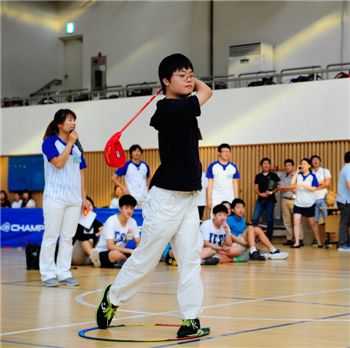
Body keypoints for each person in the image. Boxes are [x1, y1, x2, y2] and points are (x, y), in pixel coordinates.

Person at [96, 53, 213, 338]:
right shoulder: (168, 110)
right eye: (181, 74)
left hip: (188, 197)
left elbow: (201, 90)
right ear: (165, 81)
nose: (189, 78)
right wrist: (190, 83)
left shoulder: (183, 104)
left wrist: (183, 76)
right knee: (147, 258)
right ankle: (112, 298)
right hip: (166, 198)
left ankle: (190, 319)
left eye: (191, 73)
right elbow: (206, 90)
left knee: (190, 258)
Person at [39, 109, 88, 287]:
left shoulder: (76, 148)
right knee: (51, 235)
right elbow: (58, 163)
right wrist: (70, 143)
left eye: (74, 119)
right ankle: (47, 274)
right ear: (60, 124)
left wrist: (84, 197)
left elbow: (80, 172)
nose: (73, 123)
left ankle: (64, 272)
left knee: (68, 237)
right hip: (55, 197)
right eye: (69, 120)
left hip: (73, 199)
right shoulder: (49, 142)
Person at [90, 195, 140, 268]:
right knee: (115, 254)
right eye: (126, 208)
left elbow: (138, 242)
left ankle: (125, 263)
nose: (129, 211)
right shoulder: (111, 221)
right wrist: (130, 251)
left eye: (132, 208)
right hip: (104, 252)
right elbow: (110, 246)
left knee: (139, 254)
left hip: (121, 251)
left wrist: (139, 252)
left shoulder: (133, 222)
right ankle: (130, 263)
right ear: (120, 208)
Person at [290, 158, 322, 248]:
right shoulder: (299, 175)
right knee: (296, 222)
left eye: (304, 163)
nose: (302, 165)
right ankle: (296, 242)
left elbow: (314, 188)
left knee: (312, 223)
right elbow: (292, 183)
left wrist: (303, 185)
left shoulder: (312, 176)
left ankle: (319, 241)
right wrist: (296, 171)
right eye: (301, 164)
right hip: (298, 203)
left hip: (309, 203)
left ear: (309, 166)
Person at [111, 144, 150, 209]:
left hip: (144, 197)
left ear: (141, 153)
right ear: (131, 154)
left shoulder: (145, 165)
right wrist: (123, 188)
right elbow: (113, 178)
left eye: (138, 151)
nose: (137, 153)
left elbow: (149, 176)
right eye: (134, 151)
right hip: (131, 197)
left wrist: (148, 187)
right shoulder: (126, 165)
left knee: (144, 217)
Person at [251, 158, 280, 240]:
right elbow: (256, 188)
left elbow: (278, 186)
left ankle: (269, 238)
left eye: (268, 163)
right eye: (264, 163)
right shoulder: (258, 176)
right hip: (260, 199)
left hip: (270, 200)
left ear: (270, 165)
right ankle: (253, 236)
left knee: (269, 218)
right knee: (255, 217)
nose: (266, 165)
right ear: (261, 165)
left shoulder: (273, 175)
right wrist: (260, 194)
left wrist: (271, 192)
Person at [206, 144, 240, 212]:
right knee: (216, 217)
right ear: (219, 153)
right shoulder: (213, 166)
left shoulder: (233, 167)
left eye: (228, 151)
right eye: (224, 151)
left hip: (230, 196)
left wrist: (236, 199)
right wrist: (209, 199)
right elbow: (209, 184)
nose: (226, 153)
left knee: (229, 217)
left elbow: (235, 183)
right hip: (216, 196)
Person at [71, 196, 103, 265]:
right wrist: (95, 234)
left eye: (90, 205)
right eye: (85, 205)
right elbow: (79, 235)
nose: (88, 207)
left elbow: (103, 228)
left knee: (106, 235)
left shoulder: (95, 221)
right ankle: (95, 258)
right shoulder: (76, 220)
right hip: (77, 257)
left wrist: (103, 230)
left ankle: (98, 259)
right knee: (83, 239)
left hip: (88, 259)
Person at [279, 159, 304, 246]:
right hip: (284, 199)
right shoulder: (282, 176)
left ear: (292, 166)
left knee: (297, 221)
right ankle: (289, 239)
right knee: (287, 220)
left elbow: (296, 187)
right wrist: (290, 187)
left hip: (295, 200)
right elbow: (281, 188)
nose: (287, 167)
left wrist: (286, 187)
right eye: (286, 165)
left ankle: (300, 239)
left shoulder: (297, 175)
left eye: (289, 165)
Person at [311, 155, 332, 245]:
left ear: (320, 161)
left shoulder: (325, 171)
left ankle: (329, 239)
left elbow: (327, 184)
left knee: (328, 220)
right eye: (313, 160)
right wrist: (320, 182)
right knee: (314, 221)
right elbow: (307, 185)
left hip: (323, 198)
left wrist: (315, 186)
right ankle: (318, 240)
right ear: (311, 163)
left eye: (317, 160)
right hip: (312, 200)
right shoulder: (310, 172)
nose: (315, 161)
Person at [336, 151, 350, 251]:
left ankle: (345, 243)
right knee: (345, 223)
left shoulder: (345, 168)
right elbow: (349, 184)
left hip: (345, 200)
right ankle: (343, 245)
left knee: (346, 222)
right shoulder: (348, 168)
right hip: (345, 201)